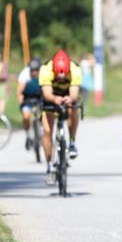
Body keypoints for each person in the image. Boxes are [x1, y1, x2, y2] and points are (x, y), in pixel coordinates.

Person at [39, 50, 82, 183]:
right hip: (51, 97)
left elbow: (74, 92)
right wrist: (54, 98)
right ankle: (49, 165)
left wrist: (70, 98)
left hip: (67, 95)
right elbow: (47, 93)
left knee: (74, 110)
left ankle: (72, 142)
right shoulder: (46, 69)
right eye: (58, 76)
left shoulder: (75, 69)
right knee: (47, 131)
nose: (61, 78)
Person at [17, 58, 43, 151]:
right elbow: (19, 92)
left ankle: (42, 133)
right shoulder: (24, 75)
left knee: (44, 116)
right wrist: (22, 105)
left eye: (36, 70)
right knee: (26, 117)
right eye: (32, 70)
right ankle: (28, 135)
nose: (34, 72)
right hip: (27, 98)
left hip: (40, 97)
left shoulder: (44, 74)